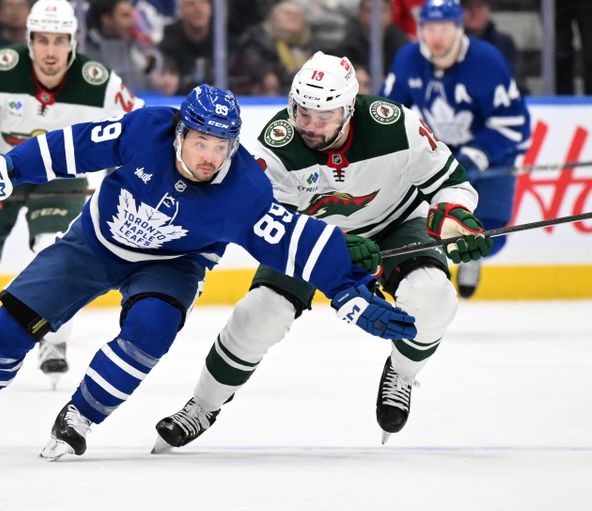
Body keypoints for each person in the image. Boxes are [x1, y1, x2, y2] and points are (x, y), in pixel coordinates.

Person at [0, 83, 418, 460]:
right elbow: (69, 148)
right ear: (181, 131)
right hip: (95, 244)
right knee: (10, 325)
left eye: (221, 147)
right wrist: (3, 170)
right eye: (201, 143)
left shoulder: (244, 191)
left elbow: (296, 244)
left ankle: (81, 416)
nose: (209, 158)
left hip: (174, 265)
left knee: (149, 332)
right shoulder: (145, 130)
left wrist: (351, 294)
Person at [153, 52, 491, 451]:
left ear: (349, 109)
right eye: (303, 113)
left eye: (324, 116)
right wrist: (332, 249)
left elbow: (450, 182)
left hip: (395, 225)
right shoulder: (276, 149)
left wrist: (454, 215)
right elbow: (269, 225)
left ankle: (402, 372)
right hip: (310, 238)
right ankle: (202, 406)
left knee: (434, 298)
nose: (310, 127)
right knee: (257, 315)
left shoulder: (396, 124)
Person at [0, 0, 142, 389]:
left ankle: (54, 338)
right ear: (29, 42)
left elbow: (133, 129)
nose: (50, 51)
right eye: (42, 40)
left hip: (59, 178)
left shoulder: (101, 83)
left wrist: (130, 176)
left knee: (55, 249)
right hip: (0, 172)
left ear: (73, 42)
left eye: (59, 40)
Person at [380, 0, 530, 298]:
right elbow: (389, 115)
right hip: (437, 158)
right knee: (424, 225)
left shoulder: (486, 61)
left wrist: (478, 154)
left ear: (458, 28)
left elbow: (514, 124)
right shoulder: (408, 59)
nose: (437, 37)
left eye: (444, 29)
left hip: (490, 156)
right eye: (430, 28)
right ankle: (436, 264)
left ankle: (471, 258)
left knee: (492, 235)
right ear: (421, 29)